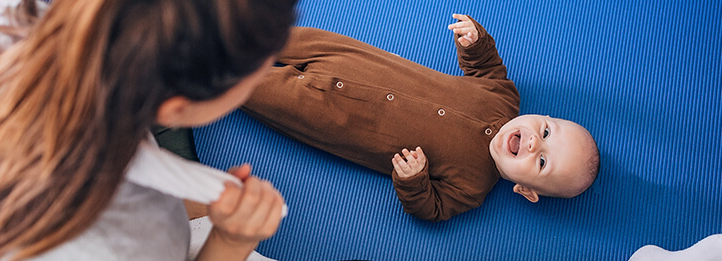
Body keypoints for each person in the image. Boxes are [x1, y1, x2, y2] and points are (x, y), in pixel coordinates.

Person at [0, 0, 722, 261]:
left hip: (117, 203)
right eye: (249, 74)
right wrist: (228, 242)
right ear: (184, 104)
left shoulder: (9, 32)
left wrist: (194, 204)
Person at [241, 15, 600, 222]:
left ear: (525, 191)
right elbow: (484, 66)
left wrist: (414, 180)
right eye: (547, 132)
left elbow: (431, 209)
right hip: (354, 60)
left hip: (331, 117)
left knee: (249, 88)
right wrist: (475, 42)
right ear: (544, 116)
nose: (534, 142)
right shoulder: (505, 96)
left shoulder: (471, 188)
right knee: (273, 35)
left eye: (542, 162)